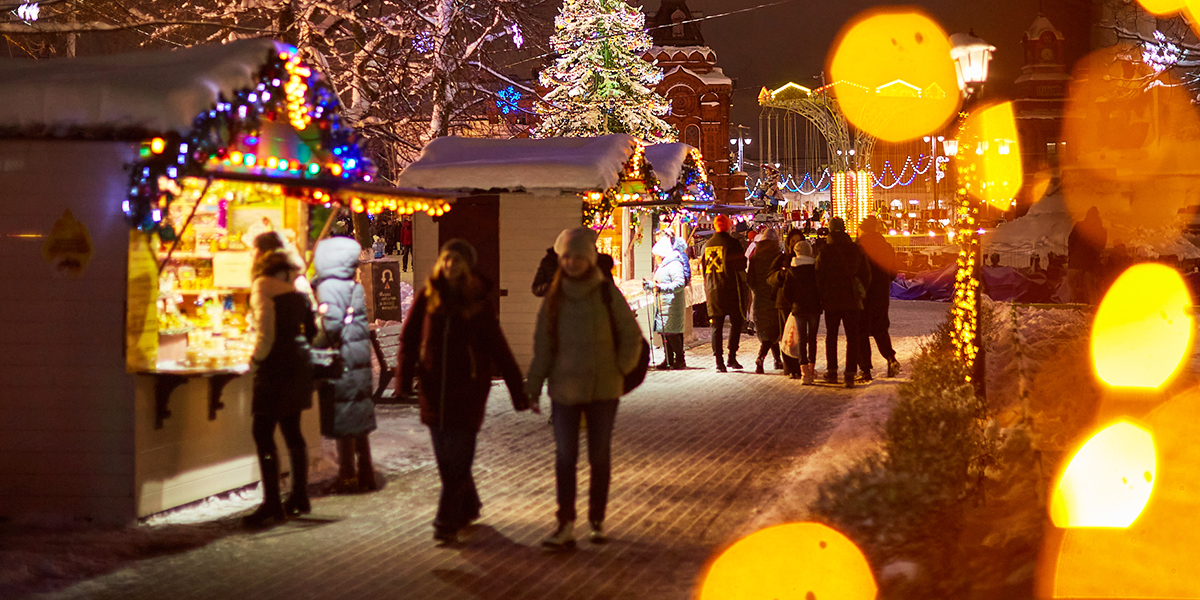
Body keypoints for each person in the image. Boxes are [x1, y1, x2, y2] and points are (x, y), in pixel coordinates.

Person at [397, 239, 533, 545]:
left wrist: (518, 393)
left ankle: (446, 521)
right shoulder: (428, 297)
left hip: (469, 391)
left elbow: (499, 348)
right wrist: (404, 381)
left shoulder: (477, 302)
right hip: (433, 391)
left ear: (466, 266)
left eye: (456, 260)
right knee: (447, 461)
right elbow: (409, 339)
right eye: (446, 259)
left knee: (457, 460)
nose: (449, 265)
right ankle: (468, 505)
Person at [527, 228, 642, 550]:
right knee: (565, 458)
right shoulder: (554, 296)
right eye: (567, 257)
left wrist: (618, 369)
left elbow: (631, 336)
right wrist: (533, 385)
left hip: (603, 390)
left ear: (589, 259)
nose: (573, 263)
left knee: (599, 457)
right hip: (563, 389)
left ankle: (596, 520)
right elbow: (543, 347)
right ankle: (565, 523)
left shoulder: (606, 293)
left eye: (579, 257)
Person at [243, 236, 317, 528]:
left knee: (262, 432)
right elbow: (312, 331)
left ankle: (272, 502)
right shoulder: (297, 292)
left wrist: (256, 359)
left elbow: (266, 332)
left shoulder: (262, 287)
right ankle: (299, 495)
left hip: (274, 368)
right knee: (292, 430)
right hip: (298, 365)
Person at [313, 236, 378, 494]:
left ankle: (347, 476)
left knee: (344, 421)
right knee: (358, 420)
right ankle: (366, 473)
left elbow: (331, 324)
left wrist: (313, 345)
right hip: (358, 359)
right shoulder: (354, 286)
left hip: (342, 362)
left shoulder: (329, 287)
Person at [815, 217, 871, 388]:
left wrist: (822, 295)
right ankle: (850, 374)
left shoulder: (825, 251)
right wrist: (861, 291)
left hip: (831, 299)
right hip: (851, 299)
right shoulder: (855, 249)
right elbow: (866, 274)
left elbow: (818, 276)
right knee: (852, 337)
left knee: (831, 336)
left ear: (830, 230)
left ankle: (832, 372)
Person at [856, 216, 901, 381]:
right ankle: (891, 358)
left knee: (861, 331)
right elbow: (894, 272)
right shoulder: (886, 247)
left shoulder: (859, 247)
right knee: (879, 329)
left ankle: (865, 370)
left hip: (863, 294)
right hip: (881, 294)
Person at [702, 215, 748, 372]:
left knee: (717, 326)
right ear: (728, 226)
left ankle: (719, 361)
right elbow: (741, 264)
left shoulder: (707, 245)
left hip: (713, 291)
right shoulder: (732, 243)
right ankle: (731, 357)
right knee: (736, 323)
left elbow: (703, 269)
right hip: (730, 289)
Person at [782, 240, 822, 383]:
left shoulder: (792, 270)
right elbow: (820, 288)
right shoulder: (815, 269)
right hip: (814, 308)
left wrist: (793, 304)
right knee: (812, 338)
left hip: (798, 308)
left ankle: (804, 371)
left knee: (801, 339)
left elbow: (786, 292)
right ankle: (811, 368)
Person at [768, 229, 806, 376]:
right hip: (783, 302)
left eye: (798, 241)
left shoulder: (808, 260)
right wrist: (782, 275)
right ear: (788, 244)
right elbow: (770, 277)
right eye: (793, 242)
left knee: (801, 336)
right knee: (787, 336)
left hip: (801, 302)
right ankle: (790, 367)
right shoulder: (782, 259)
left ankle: (801, 364)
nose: (796, 244)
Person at [646, 232, 687, 370]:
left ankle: (679, 359)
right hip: (663, 303)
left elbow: (679, 283)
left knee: (672, 333)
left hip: (671, 305)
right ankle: (668, 359)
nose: (655, 258)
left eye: (656, 256)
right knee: (666, 333)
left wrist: (659, 287)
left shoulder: (674, 264)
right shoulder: (664, 265)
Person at [747, 229, 783, 373]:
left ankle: (777, 360)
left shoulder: (755, 257)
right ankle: (761, 357)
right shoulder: (778, 256)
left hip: (760, 298)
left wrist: (757, 290)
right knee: (774, 329)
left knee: (767, 330)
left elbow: (750, 280)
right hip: (775, 296)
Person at [1067, 206, 1107, 305]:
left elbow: (1071, 242)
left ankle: (1074, 304)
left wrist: (1071, 256)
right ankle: (1092, 308)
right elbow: (1101, 246)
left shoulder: (1079, 226)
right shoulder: (1101, 230)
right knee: (1090, 289)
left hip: (1076, 262)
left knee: (1071, 285)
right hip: (1090, 265)